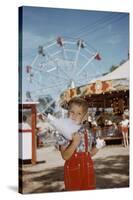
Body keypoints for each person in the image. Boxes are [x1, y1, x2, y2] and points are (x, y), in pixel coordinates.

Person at [57, 97, 104, 191]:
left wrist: (98, 146)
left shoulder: (88, 132)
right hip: (73, 172)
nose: (74, 116)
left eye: (79, 113)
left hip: (88, 171)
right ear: (67, 113)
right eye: (72, 112)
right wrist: (74, 143)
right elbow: (65, 156)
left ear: (85, 117)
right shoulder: (63, 132)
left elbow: (89, 154)